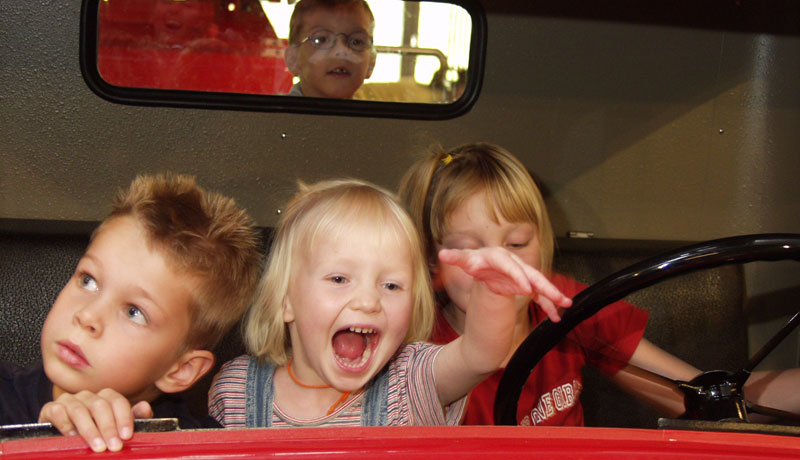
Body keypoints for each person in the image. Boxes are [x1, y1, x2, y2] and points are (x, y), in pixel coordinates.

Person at [399, 142, 800, 426]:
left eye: (517, 244)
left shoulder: (564, 305)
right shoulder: (419, 351)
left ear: (542, 243)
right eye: (471, 251)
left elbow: (699, 395)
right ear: (434, 259)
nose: (501, 266)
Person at [208, 178, 571, 427]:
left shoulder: (410, 382)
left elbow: (482, 353)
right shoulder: (236, 389)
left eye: (392, 286)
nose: (368, 301)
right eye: (339, 279)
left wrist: (493, 289)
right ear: (285, 301)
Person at [0, 173, 263, 451]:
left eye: (134, 312)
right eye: (88, 280)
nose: (88, 316)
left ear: (180, 370)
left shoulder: (200, 448)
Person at [283, 0, 376, 98]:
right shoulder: (274, 112)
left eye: (356, 42)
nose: (341, 50)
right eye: (321, 39)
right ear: (293, 59)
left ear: (371, 62)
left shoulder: (374, 113)